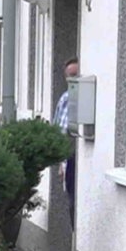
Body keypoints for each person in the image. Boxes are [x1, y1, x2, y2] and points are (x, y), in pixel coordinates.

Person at [53, 57, 80, 230]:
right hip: (69, 159)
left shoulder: (84, 97)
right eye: (69, 76)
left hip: (80, 157)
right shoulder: (65, 99)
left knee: (76, 203)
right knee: (71, 202)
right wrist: (60, 163)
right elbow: (58, 130)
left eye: (76, 75)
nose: (72, 80)